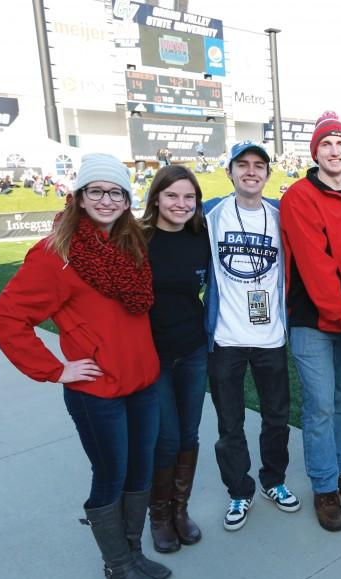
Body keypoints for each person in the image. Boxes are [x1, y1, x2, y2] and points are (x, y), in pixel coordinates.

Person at [0, 153, 168, 579]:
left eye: (116, 192)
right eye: (96, 190)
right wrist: (56, 368)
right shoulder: (57, 255)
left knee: (140, 472)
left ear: (127, 199)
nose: (106, 200)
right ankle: (117, 567)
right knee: (112, 473)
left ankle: (131, 551)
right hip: (97, 392)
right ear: (80, 197)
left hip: (142, 384)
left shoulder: (130, 246)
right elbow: (7, 319)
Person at [280, 111, 341, 532]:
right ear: (314, 152)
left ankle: (340, 468)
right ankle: (323, 487)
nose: (334, 151)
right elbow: (317, 268)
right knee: (319, 406)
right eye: (326, 145)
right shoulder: (299, 196)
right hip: (314, 319)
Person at [203, 141, 300, 532]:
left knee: (277, 418)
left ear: (267, 174)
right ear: (229, 172)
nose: (251, 171)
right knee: (230, 423)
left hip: (271, 337)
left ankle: (273, 481)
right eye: (242, 165)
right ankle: (238, 491)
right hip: (225, 338)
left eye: (259, 165)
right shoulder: (210, 213)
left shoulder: (280, 215)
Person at [140, 165, 210, 552]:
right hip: (154, 356)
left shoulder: (202, 238)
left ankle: (181, 510)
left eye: (189, 197)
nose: (181, 204)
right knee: (166, 439)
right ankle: (160, 516)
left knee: (189, 434)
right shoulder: (137, 239)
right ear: (156, 198)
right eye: (172, 196)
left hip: (194, 350)